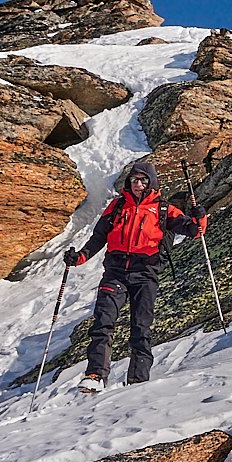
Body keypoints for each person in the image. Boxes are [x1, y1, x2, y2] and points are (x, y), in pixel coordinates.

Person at [63, 160, 208, 391]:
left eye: (143, 180)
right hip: (116, 272)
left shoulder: (163, 209)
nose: (138, 184)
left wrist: (200, 217)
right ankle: (95, 375)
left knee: (141, 328)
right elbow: (98, 237)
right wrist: (79, 257)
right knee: (103, 321)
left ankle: (137, 381)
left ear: (152, 183)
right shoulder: (117, 206)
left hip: (145, 274)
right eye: (134, 180)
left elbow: (195, 231)